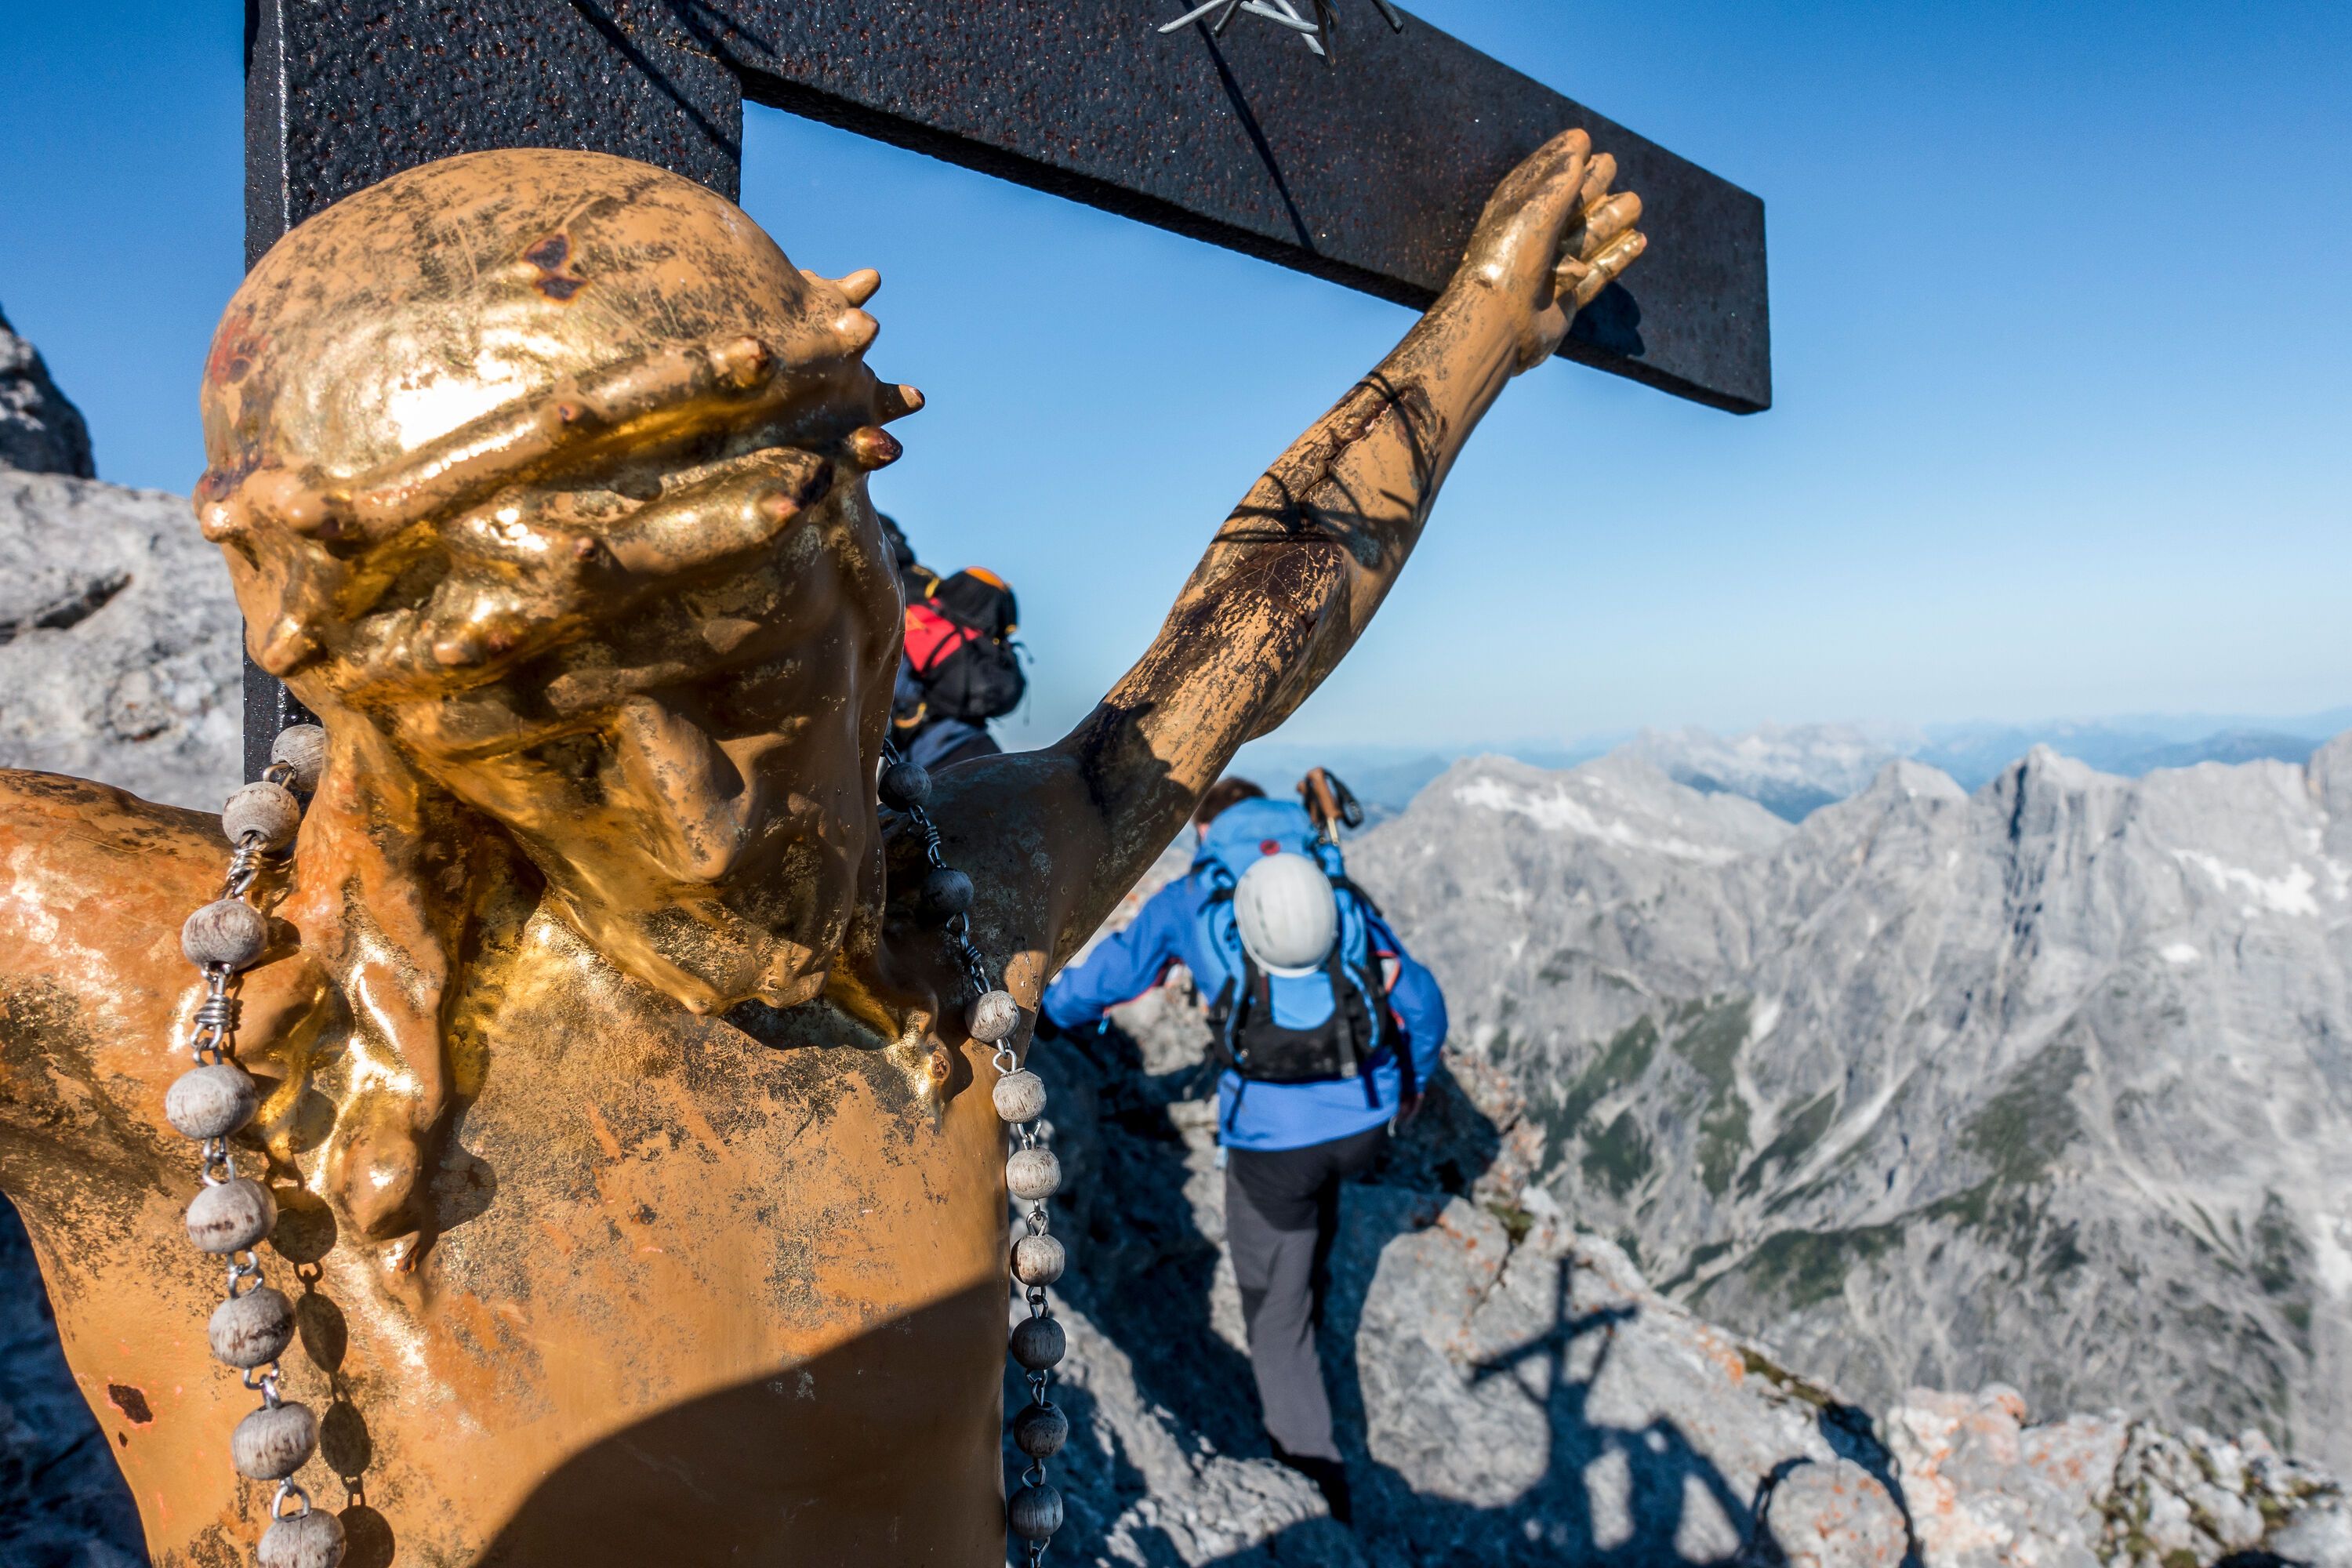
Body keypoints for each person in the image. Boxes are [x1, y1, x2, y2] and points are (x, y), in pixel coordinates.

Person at [0, 128, 1642, 1564]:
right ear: (387, 730)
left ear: (868, 579)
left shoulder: (944, 917)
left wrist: (1477, 335)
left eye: (748, 668)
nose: (699, 822)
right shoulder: (165, 1013)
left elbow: (1245, 637)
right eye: (542, 730)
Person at [1038, 775, 1447, 1522]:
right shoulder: (1332, 883)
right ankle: (1311, 1266)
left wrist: (1044, 1014)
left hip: (1271, 1145)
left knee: (1277, 1320)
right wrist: (1411, 1085)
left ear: (1204, 831)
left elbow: (1104, 982)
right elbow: (1419, 999)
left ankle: (1317, 1482)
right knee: (1314, 1210)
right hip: (1367, 1120)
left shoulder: (1192, 898)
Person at [877, 514, 1027, 771]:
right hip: (978, 749)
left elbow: (895, 694)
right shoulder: (927, 598)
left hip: (933, 762)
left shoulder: (897, 609)